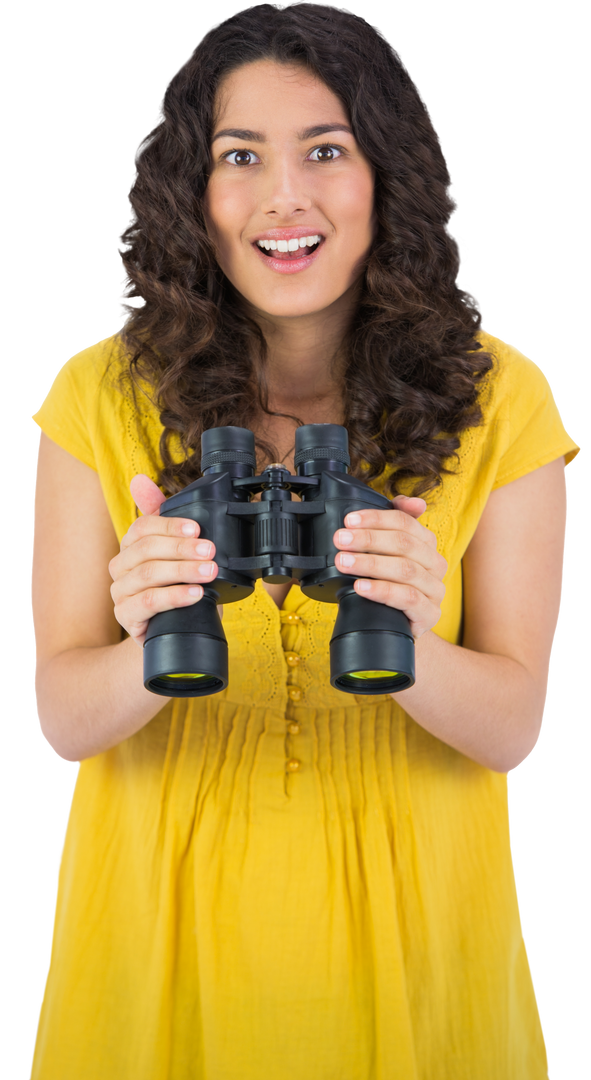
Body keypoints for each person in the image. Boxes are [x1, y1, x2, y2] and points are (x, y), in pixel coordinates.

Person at [28, 3, 581, 1077]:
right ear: (195, 191)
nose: (285, 197)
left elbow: (513, 726)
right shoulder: (97, 395)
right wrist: (151, 632)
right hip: (155, 952)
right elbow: (63, 717)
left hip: (422, 959)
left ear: (387, 175)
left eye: (326, 150)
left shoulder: (503, 395)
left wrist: (409, 633)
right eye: (241, 157)